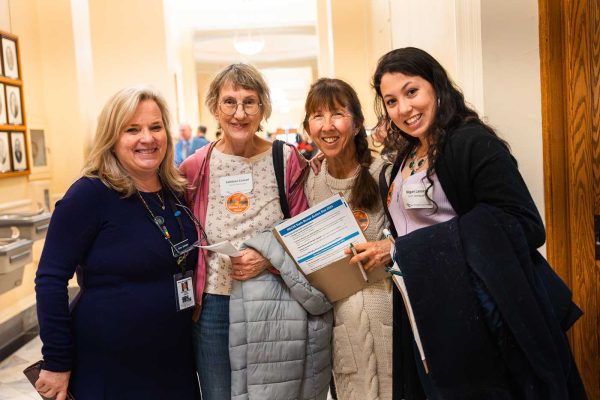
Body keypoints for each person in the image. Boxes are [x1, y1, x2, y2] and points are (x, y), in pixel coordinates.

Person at [349, 47, 586, 399]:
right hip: (428, 316)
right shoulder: (404, 158)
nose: (404, 109)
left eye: (412, 92)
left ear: (436, 86)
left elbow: (524, 224)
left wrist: (402, 249)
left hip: (482, 319)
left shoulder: (472, 142)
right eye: (392, 101)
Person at [34, 85, 201, 400]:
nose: (147, 138)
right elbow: (50, 280)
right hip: (108, 364)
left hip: (173, 359)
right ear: (112, 138)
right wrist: (57, 360)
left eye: (155, 127)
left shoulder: (175, 192)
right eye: (132, 130)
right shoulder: (89, 194)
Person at [180, 63, 333, 400]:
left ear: (262, 108)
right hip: (214, 305)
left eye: (250, 102)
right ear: (215, 108)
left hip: (274, 299)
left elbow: (304, 233)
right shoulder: (195, 167)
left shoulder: (285, 159)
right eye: (229, 102)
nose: (239, 113)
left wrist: (267, 258)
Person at [302, 78, 393, 399]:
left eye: (337, 114)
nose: (328, 126)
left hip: (388, 319)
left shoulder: (385, 173)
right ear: (307, 128)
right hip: (336, 329)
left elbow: (418, 238)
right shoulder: (308, 183)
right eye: (317, 116)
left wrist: (391, 247)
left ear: (355, 124)